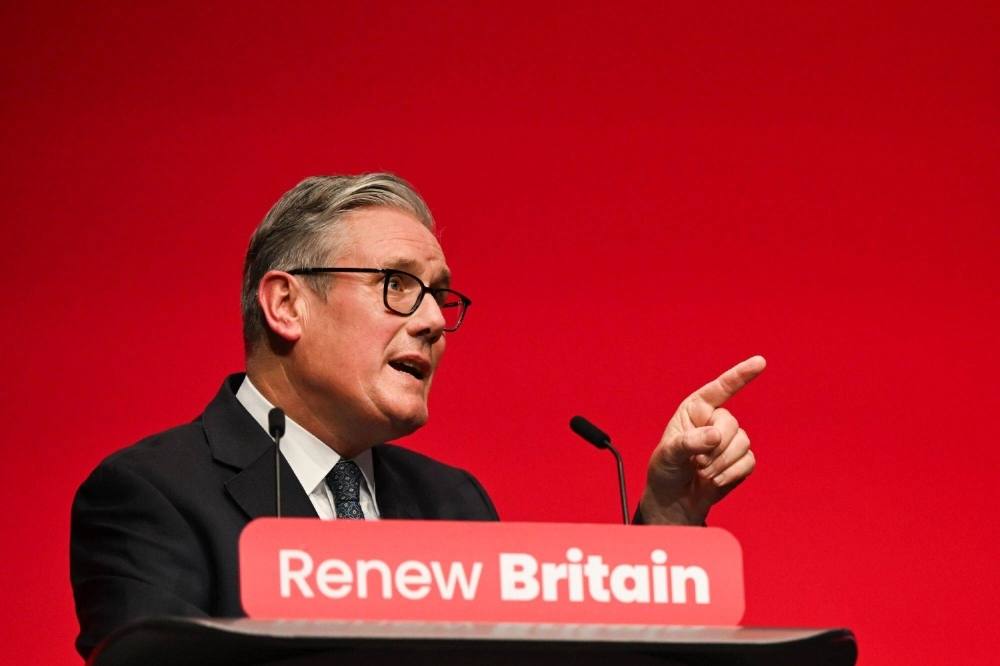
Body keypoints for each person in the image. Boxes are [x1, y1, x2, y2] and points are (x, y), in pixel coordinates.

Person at [70, 173, 764, 658]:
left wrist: (669, 518)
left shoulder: (452, 503)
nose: (433, 320)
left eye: (439, 295)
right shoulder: (152, 495)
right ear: (286, 305)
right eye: (397, 285)